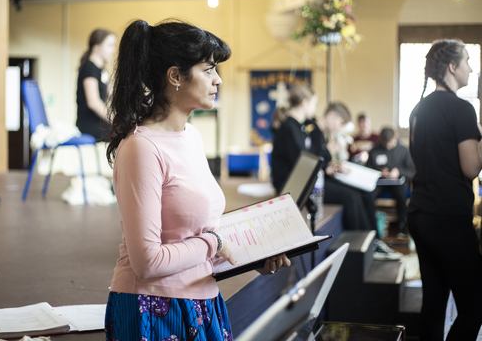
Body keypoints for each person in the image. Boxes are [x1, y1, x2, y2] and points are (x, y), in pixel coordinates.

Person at [104, 19, 291, 341]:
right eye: (208, 69)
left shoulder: (191, 135)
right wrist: (217, 243)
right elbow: (147, 262)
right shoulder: (141, 148)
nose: (218, 80)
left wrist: (248, 257)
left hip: (203, 299)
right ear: (175, 76)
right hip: (154, 306)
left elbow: (195, 234)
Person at [408, 39, 482, 340]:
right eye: (466, 60)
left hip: (421, 215)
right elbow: (471, 168)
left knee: (435, 303)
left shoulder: (418, 109)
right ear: (452, 67)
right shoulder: (462, 109)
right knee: (475, 307)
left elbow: (418, 163)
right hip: (449, 218)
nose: (471, 67)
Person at [270, 92, 400, 260]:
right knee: (352, 197)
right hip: (299, 186)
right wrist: (328, 157)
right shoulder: (298, 128)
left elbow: (311, 160)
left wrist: (328, 164)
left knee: (363, 193)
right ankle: (364, 247)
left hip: (313, 179)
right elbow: (305, 161)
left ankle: (372, 242)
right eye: (313, 104)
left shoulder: (301, 128)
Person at [366, 127, 413, 238]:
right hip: (380, 183)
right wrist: (380, 172)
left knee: (401, 194)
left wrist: (399, 172)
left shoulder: (404, 150)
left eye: (390, 143)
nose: (387, 146)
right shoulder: (374, 150)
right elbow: (368, 169)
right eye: (385, 143)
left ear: (395, 137)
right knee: (369, 195)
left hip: (398, 183)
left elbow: (411, 173)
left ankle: (402, 227)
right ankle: (372, 227)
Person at [76, 29, 117, 141]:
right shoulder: (89, 68)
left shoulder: (101, 70)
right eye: (109, 46)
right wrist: (116, 120)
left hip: (98, 123)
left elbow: (113, 94)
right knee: (125, 133)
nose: (113, 50)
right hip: (89, 124)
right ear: (96, 47)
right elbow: (93, 102)